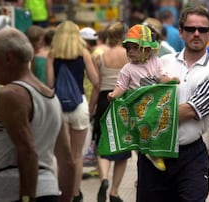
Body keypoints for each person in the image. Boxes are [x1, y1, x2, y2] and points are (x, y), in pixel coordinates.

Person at [137, 6, 209, 201]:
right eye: (190, 29)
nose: (196, 34)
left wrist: (150, 117)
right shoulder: (163, 62)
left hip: (190, 156)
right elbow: (141, 97)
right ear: (181, 32)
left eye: (202, 30)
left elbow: (192, 110)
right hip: (153, 154)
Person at [0, 27, 75, 202]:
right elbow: (67, 160)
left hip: (11, 191)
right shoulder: (51, 97)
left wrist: (27, 198)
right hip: (48, 189)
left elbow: (27, 150)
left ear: (8, 58)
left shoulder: (10, 94)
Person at [107, 24, 179, 172]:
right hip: (138, 107)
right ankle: (150, 153)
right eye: (128, 49)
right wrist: (114, 94)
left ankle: (157, 151)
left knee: (163, 122)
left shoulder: (155, 61)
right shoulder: (127, 69)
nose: (131, 52)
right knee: (145, 123)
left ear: (147, 49)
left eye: (135, 48)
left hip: (154, 103)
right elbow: (121, 86)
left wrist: (172, 80)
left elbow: (161, 77)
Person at [47, 20, 99, 202]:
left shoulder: (52, 54)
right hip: (79, 106)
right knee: (77, 155)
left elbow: (50, 84)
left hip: (58, 108)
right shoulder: (84, 53)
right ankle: (76, 194)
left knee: (63, 157)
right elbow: (96, 81)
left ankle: (64, 194)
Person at [89, 22, 131, 202]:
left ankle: (104, 179)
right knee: (123, 148)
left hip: (103, 102)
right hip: (123, 102)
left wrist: (92, 107)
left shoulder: (100, 57)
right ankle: (114, 191)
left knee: (103, 144)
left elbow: (96, 86)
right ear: (124, 36)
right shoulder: (129, 56)